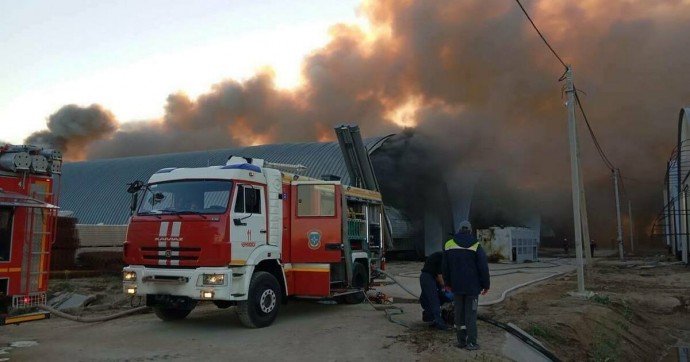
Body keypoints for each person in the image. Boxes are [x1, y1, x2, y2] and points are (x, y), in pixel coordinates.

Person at [443, 220, 490, 350]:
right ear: (470, 230)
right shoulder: (476, 245)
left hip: (457, 287)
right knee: (471, 314)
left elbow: (445, 267)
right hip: (472, 289)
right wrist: (486, 284)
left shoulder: (449, 244)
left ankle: (461, 341)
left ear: (459, 230)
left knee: (459, 314)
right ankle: (472, 342)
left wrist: (447, 283)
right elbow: (483, 267)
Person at [419, 251, 449, 330]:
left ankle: (429, 317)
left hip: (429, 277)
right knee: (434, 300)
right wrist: (447, 287)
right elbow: (440, 277)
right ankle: (440, 324)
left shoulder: (442, 257)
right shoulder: (442, 257)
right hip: (428, 277)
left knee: (428, 298)